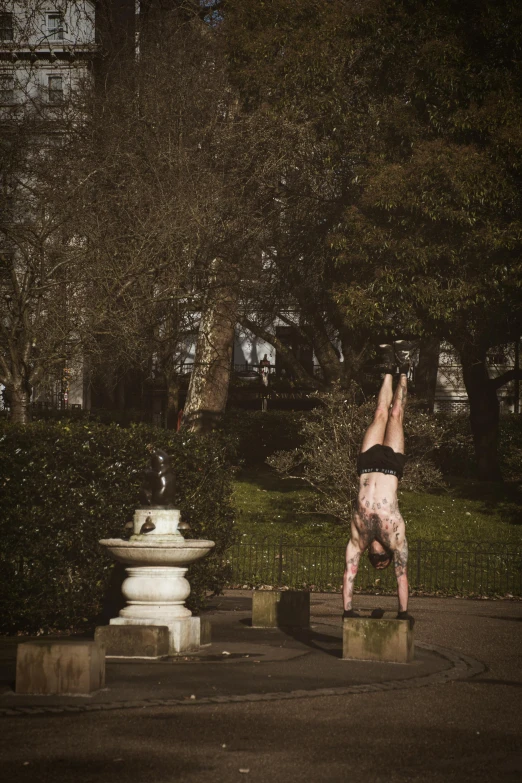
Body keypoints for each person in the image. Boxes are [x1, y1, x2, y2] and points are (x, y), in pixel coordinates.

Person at [342, 341, 416, 624]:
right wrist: (403, 612)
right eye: (379, 563)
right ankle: (405, 370)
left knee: (380, 414)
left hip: (367, 465)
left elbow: (350, 573)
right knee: (397, 413)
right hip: (393, 467)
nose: (376, 562)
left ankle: (387, 366)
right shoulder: (395, 539)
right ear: (385, 556)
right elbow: (402, 575)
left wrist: (347, 610)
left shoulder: (358, 539)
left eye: (374, 563)